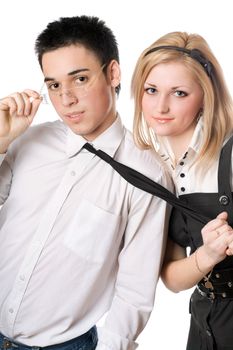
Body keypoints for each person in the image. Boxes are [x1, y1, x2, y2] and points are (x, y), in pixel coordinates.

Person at [0, 15, 172, 350]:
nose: (65, 99)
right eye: (53, 85)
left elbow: (134, 290)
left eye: (79, 79)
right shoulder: (28, 141)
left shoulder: (146, 174)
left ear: (113, 74)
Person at [131, 31, 233, 350]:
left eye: (178, 93)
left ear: (205, 94)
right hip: (204, 323)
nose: (161, 106)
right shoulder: (157, 168)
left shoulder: (229, 154)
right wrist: (206, 255)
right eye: (151, 90)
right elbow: (172, 277)